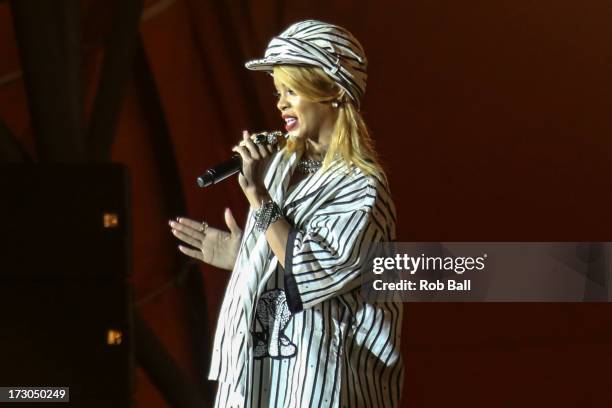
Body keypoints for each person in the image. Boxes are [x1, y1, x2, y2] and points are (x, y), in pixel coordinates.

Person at [169, 19, 403, 408]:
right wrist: (246, 256)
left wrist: (257, 198)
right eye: (278, 91)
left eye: (291, 90)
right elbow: (282, 253)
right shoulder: (280, 167)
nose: (279, 103)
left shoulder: (361, 187)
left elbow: (312, 268)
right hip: (263, 382)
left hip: (318, 386)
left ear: (333, 93)